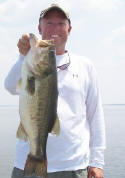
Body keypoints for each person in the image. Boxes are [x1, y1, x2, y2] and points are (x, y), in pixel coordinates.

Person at [4, 3, 106, 178]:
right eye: (49, 23)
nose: (55, 28)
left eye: (61, 23)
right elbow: (10, 87)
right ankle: (37, 155)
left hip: (74, 165)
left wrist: (97, 161)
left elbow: (95, 115)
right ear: (40, 27)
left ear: (69, 28)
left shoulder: (85, 66)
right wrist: (23, 55)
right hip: (26, 163)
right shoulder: (28, 61)